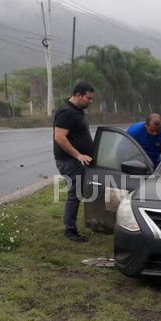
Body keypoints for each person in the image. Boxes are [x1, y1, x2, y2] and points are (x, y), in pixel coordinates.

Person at [53, 82, 96, 242]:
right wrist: (78, 155)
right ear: (78, 95)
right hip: (69, 161)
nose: (90, 102)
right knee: (75, 194)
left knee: (79, 193)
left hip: (78, 161)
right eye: (88, 98)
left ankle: (91, 222)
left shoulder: (77, 111)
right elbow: (59, 137)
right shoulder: (67, 112)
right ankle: (70, 230)